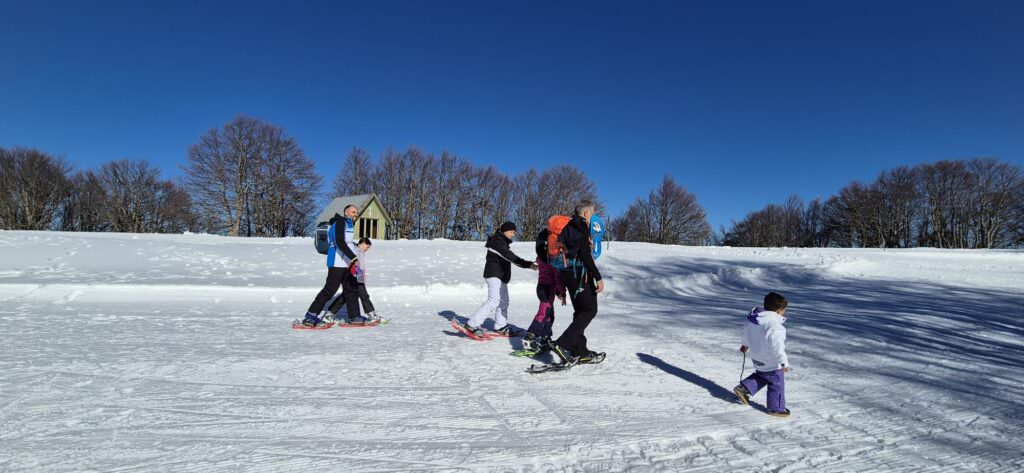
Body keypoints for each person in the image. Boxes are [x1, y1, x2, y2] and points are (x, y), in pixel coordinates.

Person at [453, 221, 537, 338]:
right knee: (494, 300)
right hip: (494, 274)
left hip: (501, 276)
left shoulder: (502, 242)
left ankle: (500, 326)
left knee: (504, 301)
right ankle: (472, 324)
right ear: (504, 231)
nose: (513, 234)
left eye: (514, 232)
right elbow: (510, 257)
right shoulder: (497, 242)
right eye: (511, 232)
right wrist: (528, 264)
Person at [549, 200, 605, 365]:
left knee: (581, 311)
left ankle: (580, 351)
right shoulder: (581, 226)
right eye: (592, 213)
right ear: (586, 213)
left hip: (567, 273)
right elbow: (585, 255)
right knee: (589, 310)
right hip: (579, 274)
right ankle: (561, 344)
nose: (592, 216)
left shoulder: (568, 226)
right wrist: (598, 277)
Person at [301, 204, 369, 326]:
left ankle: (355, 317)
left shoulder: (349, 225)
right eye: (353, 212)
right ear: (346, 212)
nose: (356, 214)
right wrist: (353, 258)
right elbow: (339, 242)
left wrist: (356, 261)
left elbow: (348, 244)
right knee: (329, 290)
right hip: (336, 263)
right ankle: (310, 316)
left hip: (346, 264)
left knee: (352, 289)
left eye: (356, 212)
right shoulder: (340, 223)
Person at [733, 292, 791, 417]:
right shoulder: (775, 326)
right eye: (784, 310)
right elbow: (777, 346)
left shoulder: (754, 320)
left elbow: (745, 332)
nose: (784, 312)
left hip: (757, 357)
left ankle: (744, 389)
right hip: (772, 361)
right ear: (779, 310)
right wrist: (783, 362)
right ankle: (776, 408)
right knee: (776, 384)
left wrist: (745, 344)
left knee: (762, 376)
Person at [522, 227, 566, 354]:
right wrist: (561, 292)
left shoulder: (541, 258)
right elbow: (557, 278)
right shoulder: (553, 261)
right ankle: (530, 335)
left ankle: (545, 338)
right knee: (544, 312)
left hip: (542, 288)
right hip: (547, 289)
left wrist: (558, 292)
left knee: (549, 315)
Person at [326, 237, 382, 322]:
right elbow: (352, 263)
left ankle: (330, 313)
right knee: (364, 296)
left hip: (357, 277)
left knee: (345, 296)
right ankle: (371, 314)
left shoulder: (361, 252)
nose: (368, 249)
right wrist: (358, 275)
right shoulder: (356, 251)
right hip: (354, 277)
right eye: (367, 247)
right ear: (362, 244)